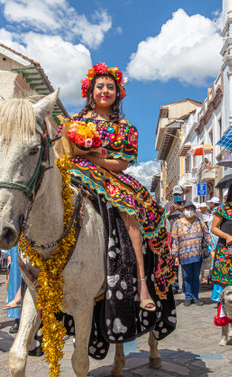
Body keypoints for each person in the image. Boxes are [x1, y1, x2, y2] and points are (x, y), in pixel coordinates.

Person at [65, 62, 175, 310]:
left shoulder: (125, 128)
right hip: (74, 169)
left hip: (110, 175)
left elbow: (122, 163)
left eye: (111, 87)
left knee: (130, 209)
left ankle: (142, 282)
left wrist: (91, 158)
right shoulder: (74, 121)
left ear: (118, 93)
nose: (105, 90)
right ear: (90, 90)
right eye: (100, 86)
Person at [171, 200, 213, 306]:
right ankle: (188, 297)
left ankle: (195, 297)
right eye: (187, 208)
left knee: (195, 277)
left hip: (197, 254)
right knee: (186, 277)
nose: (189, 211)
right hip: (184, 255)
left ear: (194, 210)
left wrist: (212, 248)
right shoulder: (177, 223)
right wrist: (175, 256)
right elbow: (175, 240)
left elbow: (207, 235)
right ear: (183, 210)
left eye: (191, 209)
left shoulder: (199, 221)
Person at [210, 184, 232, 302]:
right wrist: (227, 236)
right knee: (227, 285)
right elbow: (214, 228)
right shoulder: (222, 209)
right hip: (226, 250)